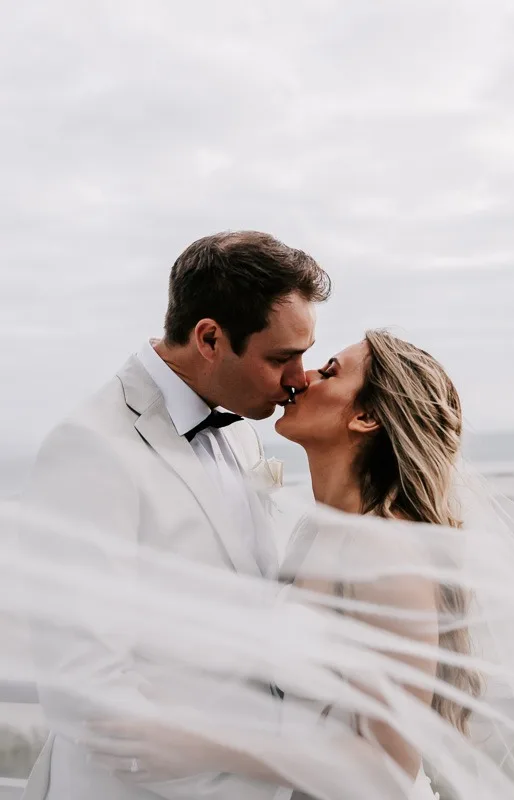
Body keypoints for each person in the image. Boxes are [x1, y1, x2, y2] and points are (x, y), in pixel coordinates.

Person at [20, 230, 331, 800]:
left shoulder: (239, 436)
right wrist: (251, 774)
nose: (299, 379)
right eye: (282, 358)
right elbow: (86, 691)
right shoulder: (91, 446)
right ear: (209, 337)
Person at [275, 330, 483, 798]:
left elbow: (387, 769)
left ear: (366, 417)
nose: (303, 377)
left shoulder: (385, 552)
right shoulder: (316, 530)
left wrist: (207, 747)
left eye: (329, 371)